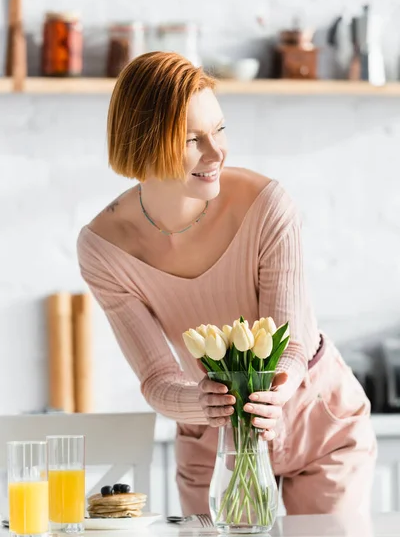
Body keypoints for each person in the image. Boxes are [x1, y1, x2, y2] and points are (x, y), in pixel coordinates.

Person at [77, 51, 376, 516]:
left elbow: (291, 344)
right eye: (193, 139)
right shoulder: (104, 250)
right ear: (145, 141)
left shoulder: (266, 206)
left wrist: (274, 392)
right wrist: (203, 404)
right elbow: (157, 379)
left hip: (315, 421)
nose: (217, 152)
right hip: (213, 439)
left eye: (219, 129)